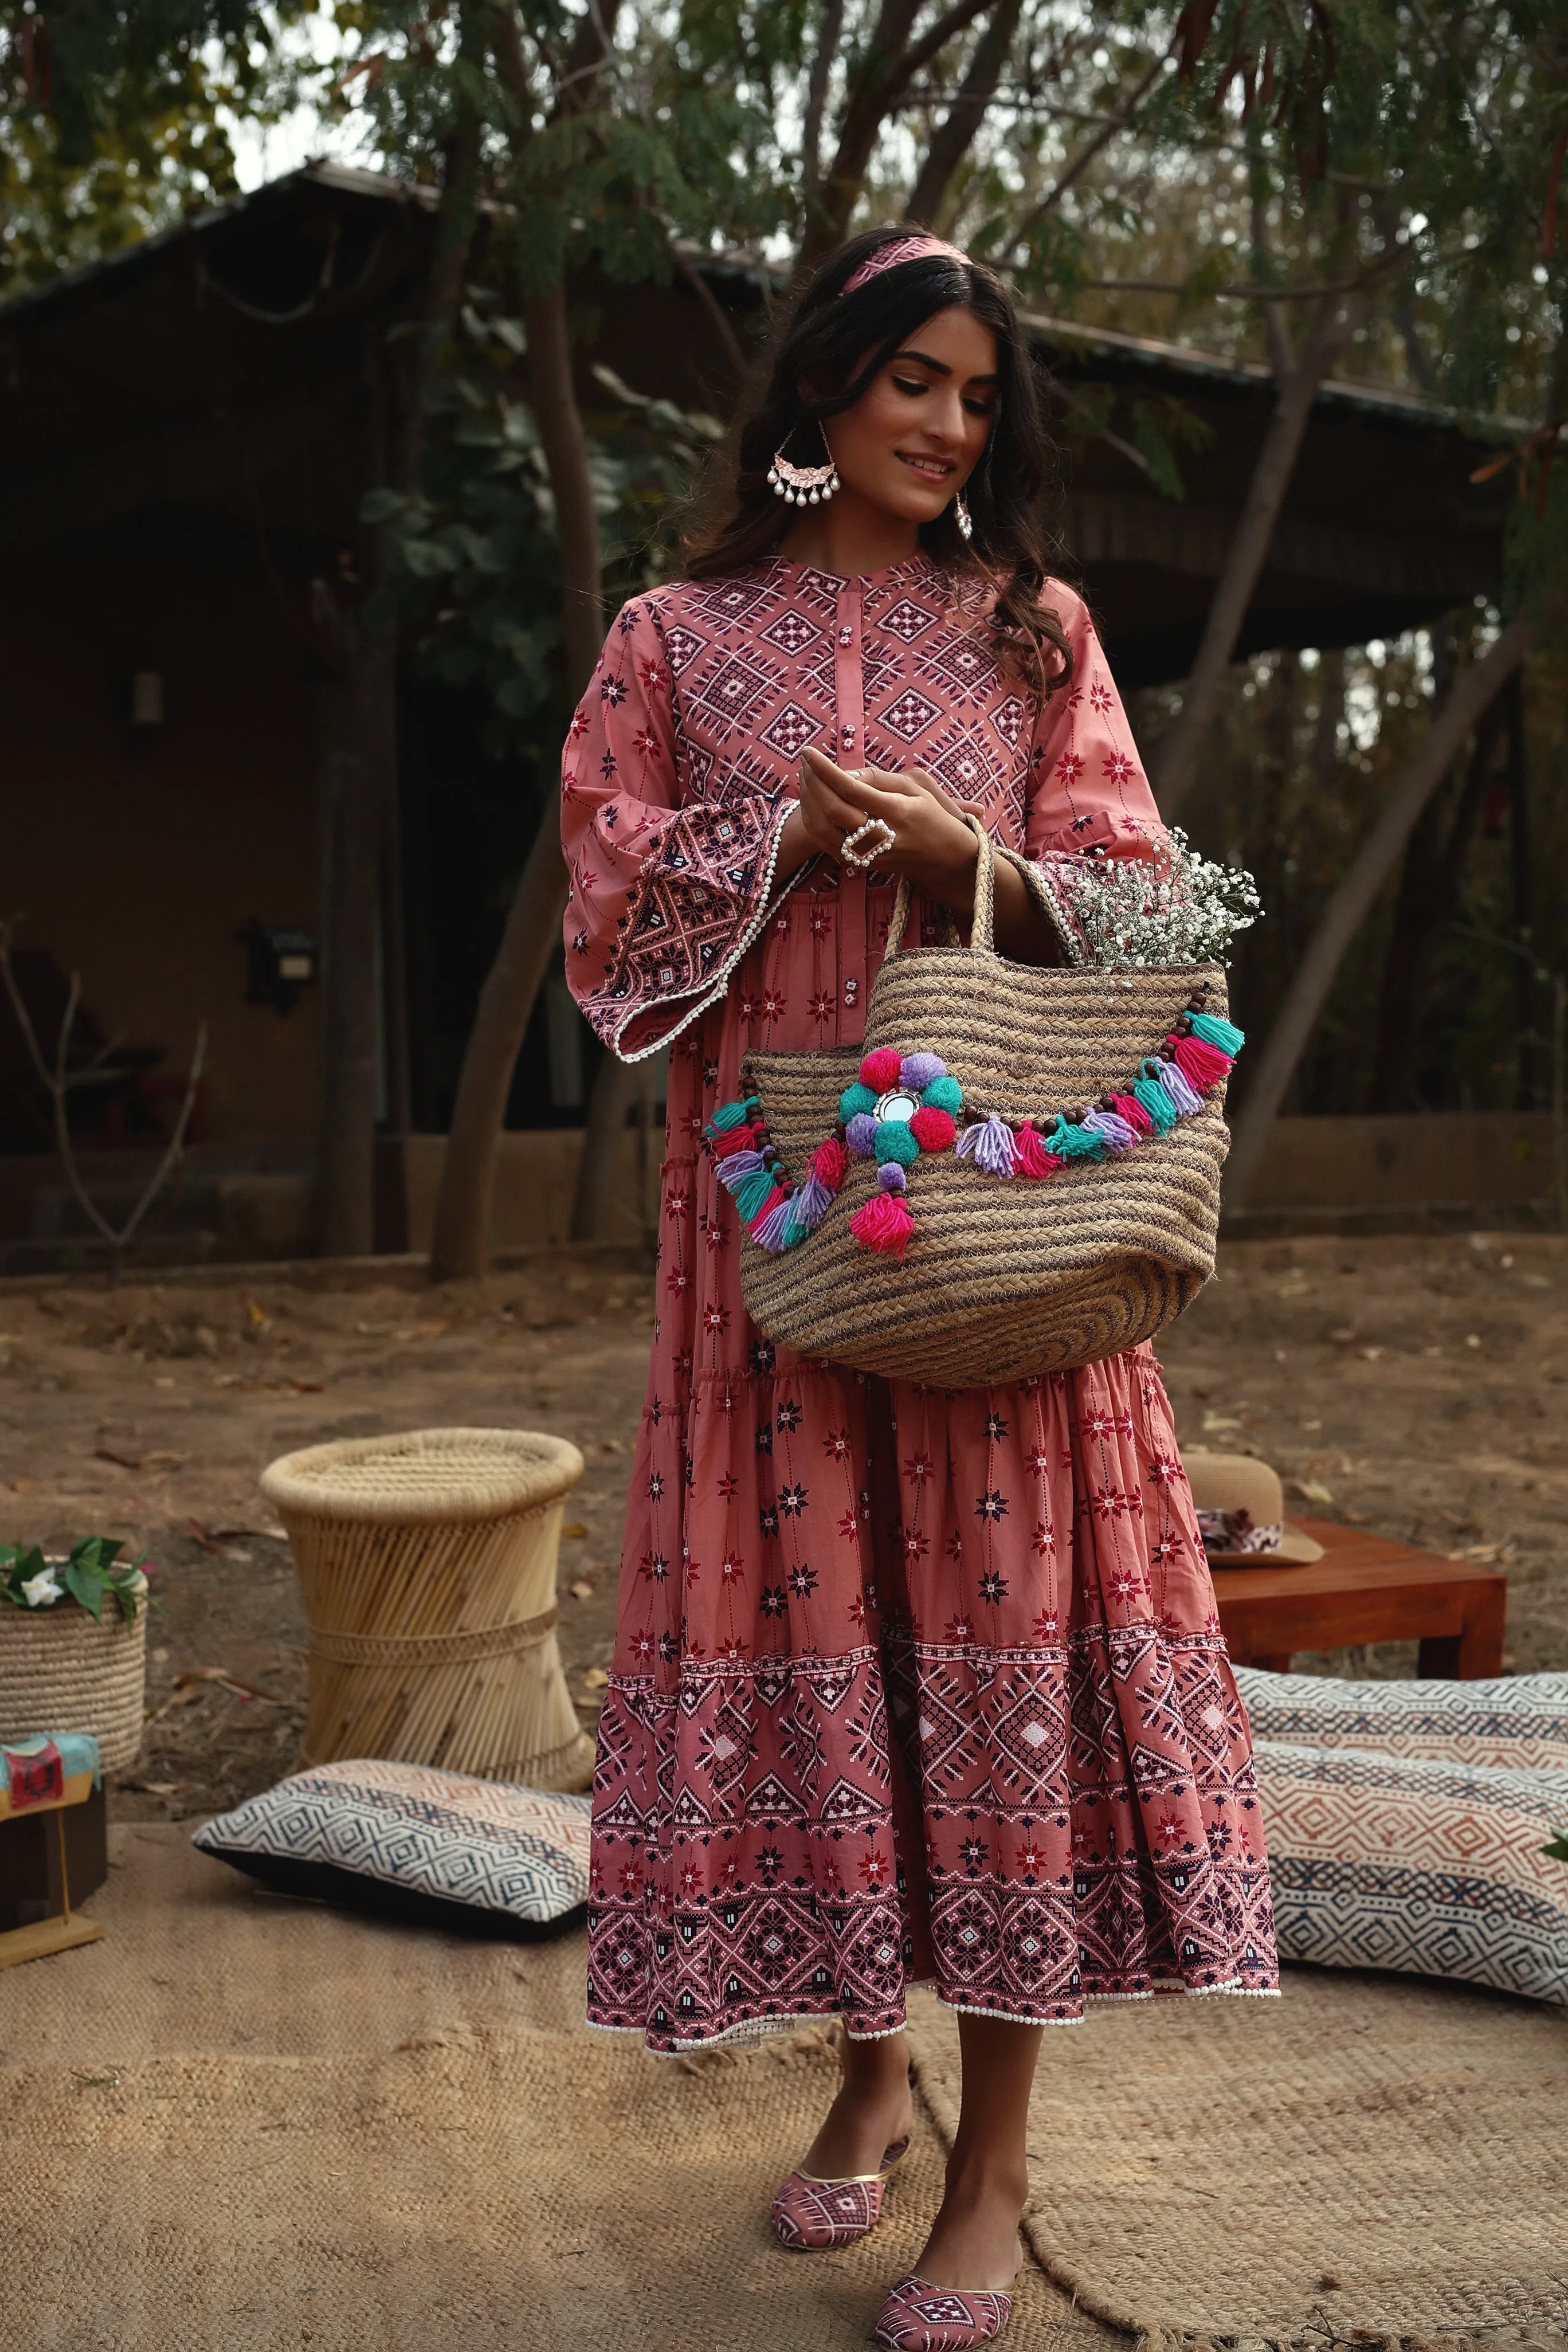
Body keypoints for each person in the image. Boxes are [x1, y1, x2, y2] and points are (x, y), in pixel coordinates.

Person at [560, 226, 1278, 2351]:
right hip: (774, 1206)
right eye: (915, 381)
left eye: (979, 397)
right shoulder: (673, 638)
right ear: (825, 384)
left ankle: (994, 2167)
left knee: (996, 1626)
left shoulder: (1037, 632)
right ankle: (871, 2066)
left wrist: (975, 867)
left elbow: (1161, 910)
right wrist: (773, 850)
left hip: (987, 1202)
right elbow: (602, 888)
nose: (951, 424)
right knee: (828, 1619)